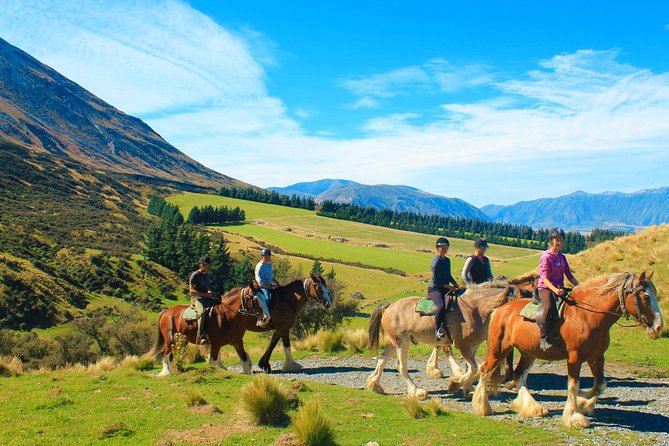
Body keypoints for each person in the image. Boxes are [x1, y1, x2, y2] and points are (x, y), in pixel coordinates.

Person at [536, 228, 579, 351]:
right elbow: (544, 278)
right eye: (556, 240)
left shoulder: (562, 257)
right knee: (549, 306)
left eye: (561, 240)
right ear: (551, 241)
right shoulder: (546, 257)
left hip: (559, 288)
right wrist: (554, 290)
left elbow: (569, 276)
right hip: (546, 288)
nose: (559, 242)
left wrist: (579, 286)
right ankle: (543, 338)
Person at [427, 237, 460, 341]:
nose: (445, 249)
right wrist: (448, 286)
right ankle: (437, 330)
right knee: (441, 306)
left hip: (445, 287)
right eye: (443, 247)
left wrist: (454, 283)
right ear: (438, 248)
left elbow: (448, 275)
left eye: (446, 247)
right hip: (435, 289)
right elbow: (436, 280)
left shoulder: (447, 260)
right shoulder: (436, 261)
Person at [189, 255, 218, 345]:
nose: (206, 267)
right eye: (204, 265)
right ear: (200, 265)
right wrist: (206, 294)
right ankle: (201, 335)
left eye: (207, 265)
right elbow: (191, 291)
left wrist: (210, 292)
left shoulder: (206, 276)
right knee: (202, 312)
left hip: (206, 297)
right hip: (197, 298)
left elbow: (206, 288)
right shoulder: (195, 275)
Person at [254, 248, 277, 326]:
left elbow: (271, 276)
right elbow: (260, 282)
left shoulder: (269, 264)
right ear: (262, 257)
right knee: (267, 299)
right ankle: (263, 317)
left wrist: (277, 284)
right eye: (266, 256)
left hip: (270, 285)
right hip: (262, 287)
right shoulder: (259, 266)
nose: (268, 258)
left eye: (269, 256)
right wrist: (271, 286)